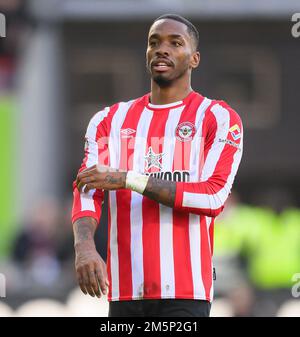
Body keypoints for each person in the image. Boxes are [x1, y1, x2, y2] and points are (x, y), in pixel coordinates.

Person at [71, 14, 243, 317]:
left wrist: (128, 179)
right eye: (154, 43)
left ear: (194, 59)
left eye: (176, 43)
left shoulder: (217, 117)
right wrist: (84, 246)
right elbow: (87, 189)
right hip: (123, 293)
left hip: (186, 293)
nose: (162, 49)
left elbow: (213, 196)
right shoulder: (109, 121)